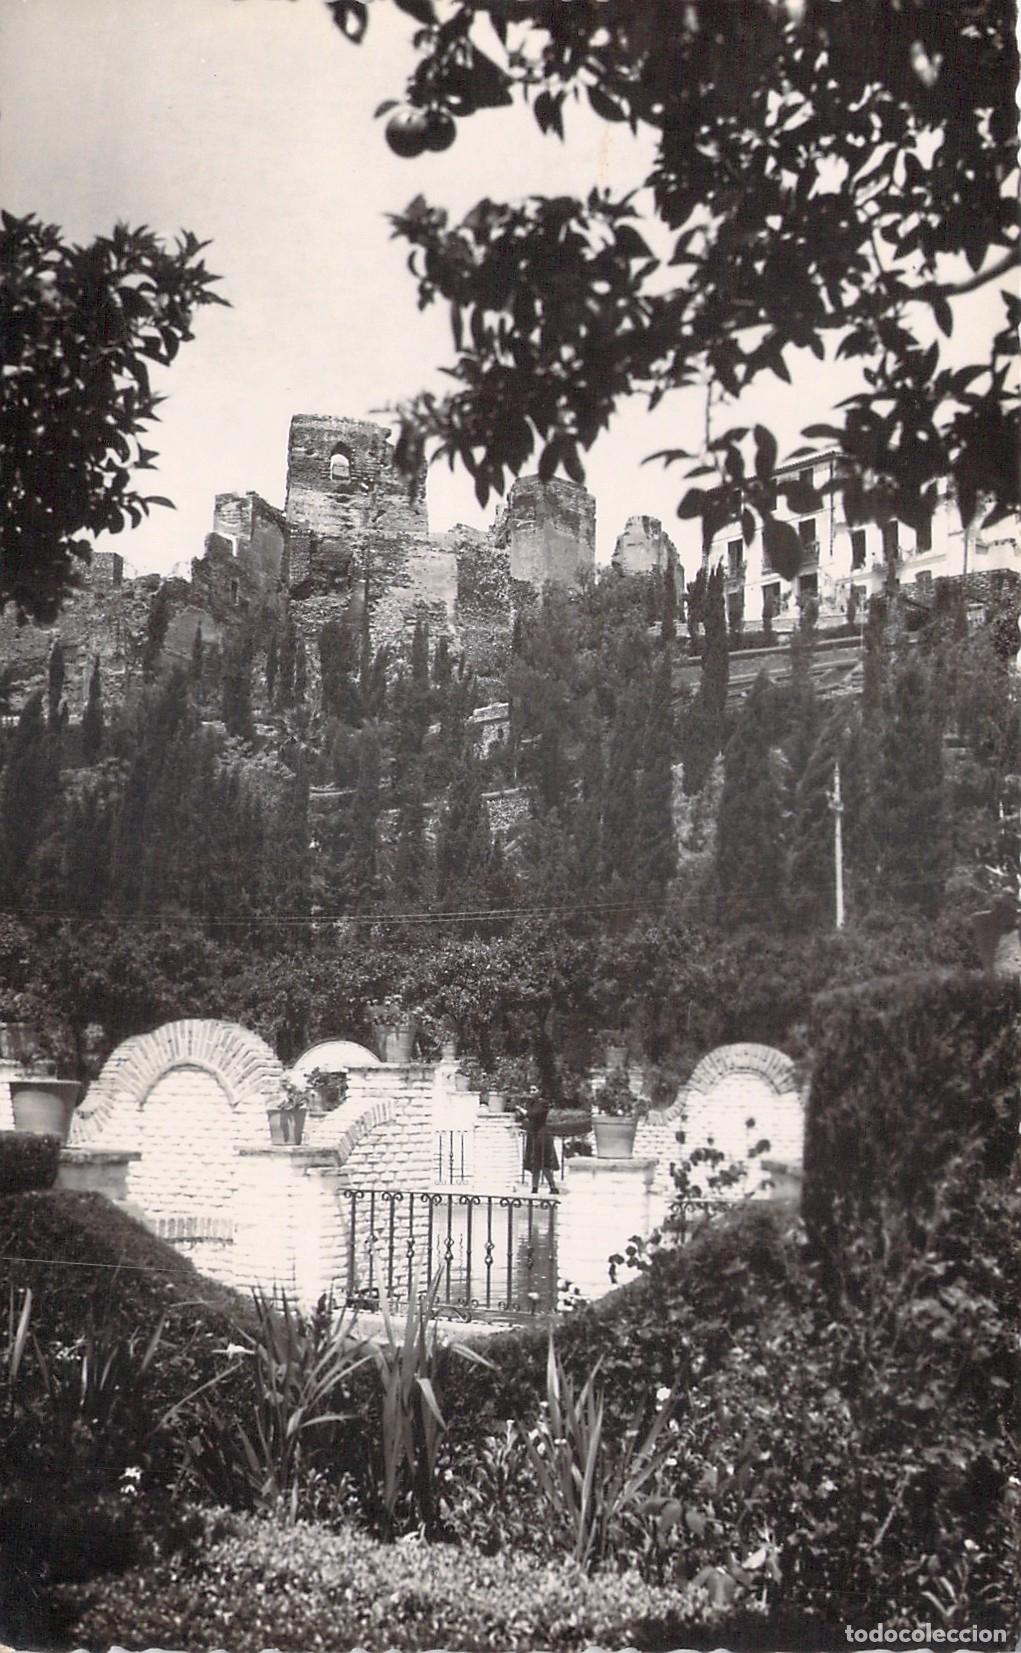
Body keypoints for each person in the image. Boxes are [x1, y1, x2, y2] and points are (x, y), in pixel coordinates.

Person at [520, 1088, 560, 1196]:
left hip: (542, 1135)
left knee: (544, 1162)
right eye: (530, 1090)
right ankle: (534, 1188)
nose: (531, 1092)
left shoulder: (543, 1103)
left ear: (540, 1091)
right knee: (534, 1163)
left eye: (534, 1090)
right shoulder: (531, 1103)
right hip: (533, 1134)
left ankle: (552, 1186)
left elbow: (533, 1114)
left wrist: (521, 1109)